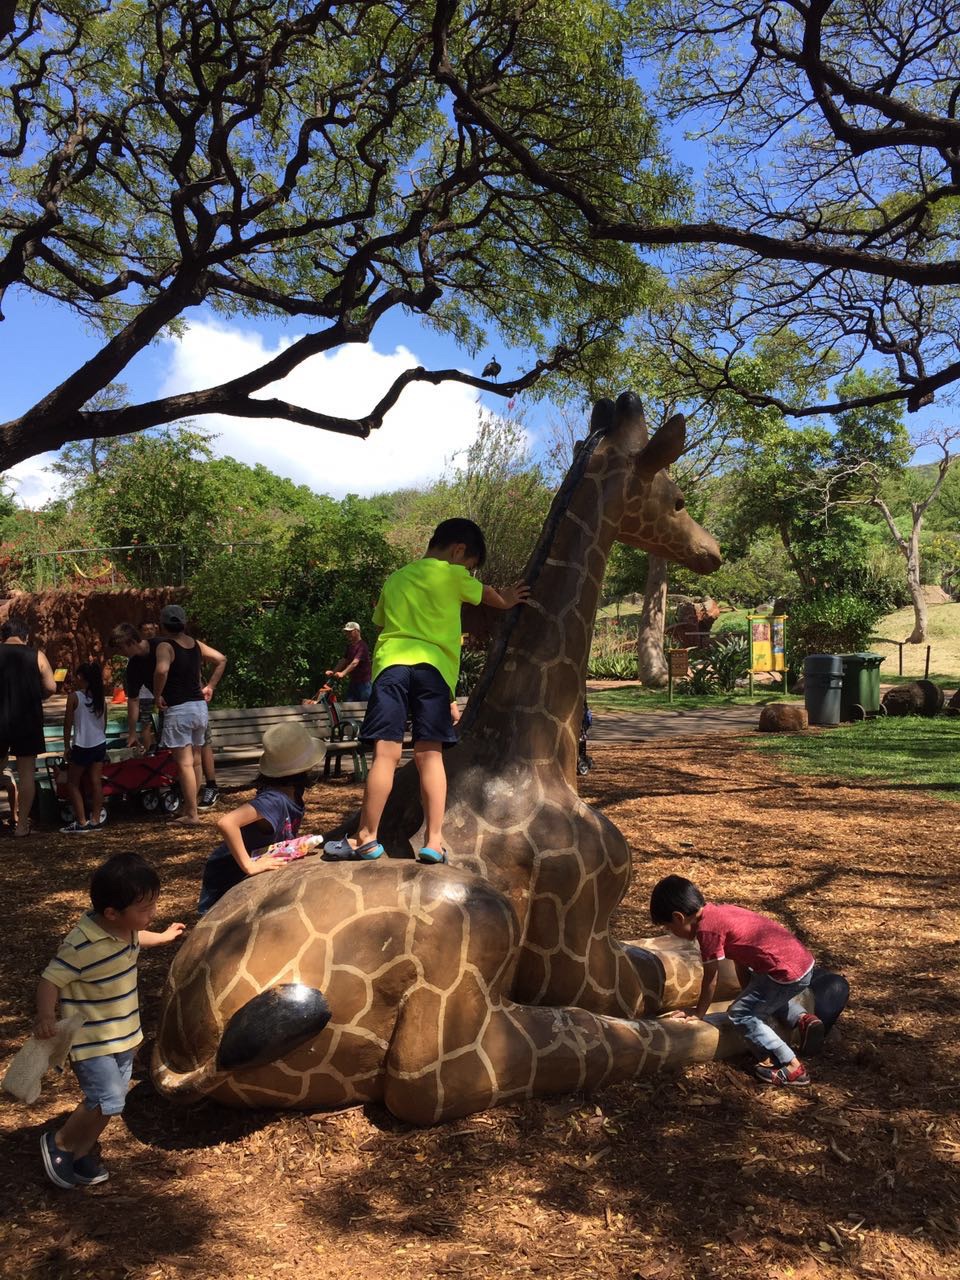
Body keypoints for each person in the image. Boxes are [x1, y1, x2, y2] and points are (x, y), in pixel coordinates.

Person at [323, 518, 529, 864]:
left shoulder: (396, 578)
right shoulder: (452, 575)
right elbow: (488, 597)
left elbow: (380, 622)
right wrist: (508, 599)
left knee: (385, 755)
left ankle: (366, 838)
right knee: (429, 756)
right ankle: (434, 841)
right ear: (459, 550)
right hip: (433, 671)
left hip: (391, 668)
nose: (469, 572)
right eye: (470, 566)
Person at [34, 851, 185, 1188]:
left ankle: (82, 1150)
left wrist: (160, 936)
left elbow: (136, 938)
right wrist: (46, 1015)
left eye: (153, 905)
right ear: (112, 913)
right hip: (91, 1041)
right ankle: (59, 1143)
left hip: (125, 1036)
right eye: (145, 910)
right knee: (109, 1099)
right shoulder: (81, 945)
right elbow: (50, 980)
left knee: (111, 1101)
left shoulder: (125, 929)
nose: (152, 913)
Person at [649, 874, 825, 1087]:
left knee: (741, 1013)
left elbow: (711, 977)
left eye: (669, 928)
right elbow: (740, 960)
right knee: (760, 999)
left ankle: (792, 1066)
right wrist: (746, 992)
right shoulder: (719, 913)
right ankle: (802, 1019)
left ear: (678, 917)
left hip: (784, 973)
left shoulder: (707, 932)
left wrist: (699, 1012)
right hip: (797, 962)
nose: (671, 933)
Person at [197, 722, 324, 915]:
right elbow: (226, 822)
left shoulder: (292, 793)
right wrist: (249, 865)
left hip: (255, 863)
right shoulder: (274, 800)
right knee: (217, 924)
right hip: (229, 872)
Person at [153, 604, 226, 826]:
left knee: (183, 763)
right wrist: (210, 686)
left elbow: (162, 670)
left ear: (163, 624)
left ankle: (191, 814)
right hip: (198, 708)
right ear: (184, 623)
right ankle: (191, 808)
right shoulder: (195, 644)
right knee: (195, 760)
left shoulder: (165, 646)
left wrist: (157, 695)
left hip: (179, 709)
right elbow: (221, 659)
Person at [0, 617, 57, 837]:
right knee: (26, 774)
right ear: (25, 637)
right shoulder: (37, 655)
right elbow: (51, 686)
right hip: (27, 718)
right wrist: (37, 696)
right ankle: (22, 825)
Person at [60, 662, 108, 834]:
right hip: (99, 743)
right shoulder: (100, 697)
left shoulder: (74, 697)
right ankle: (95, 819)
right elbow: (105, 723)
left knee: (72, 783)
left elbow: (67, 724)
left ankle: (81, 821)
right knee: (96, 781)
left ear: (80, 677)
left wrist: (67, 746)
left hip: (82, 744)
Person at [109, 622, 159, 753]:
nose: (121, 653)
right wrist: (132, 733)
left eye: (121, 648)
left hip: (187, 702)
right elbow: (133, 699)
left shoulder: (161, 646)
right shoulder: (133, 666)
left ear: (131, 642)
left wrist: (209, 685)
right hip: (166, 705)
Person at [325, 622, 372, 702]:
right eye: (347, 632)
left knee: (366, 708)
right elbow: (343, 660)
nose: (348, 634)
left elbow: (355, 663)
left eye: (350, 632)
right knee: (349, 706)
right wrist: (333, 672)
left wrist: (343, 673)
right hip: (353, 683)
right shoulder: (350, 646)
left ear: (357, 631)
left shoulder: (362, 646)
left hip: (364, 684)